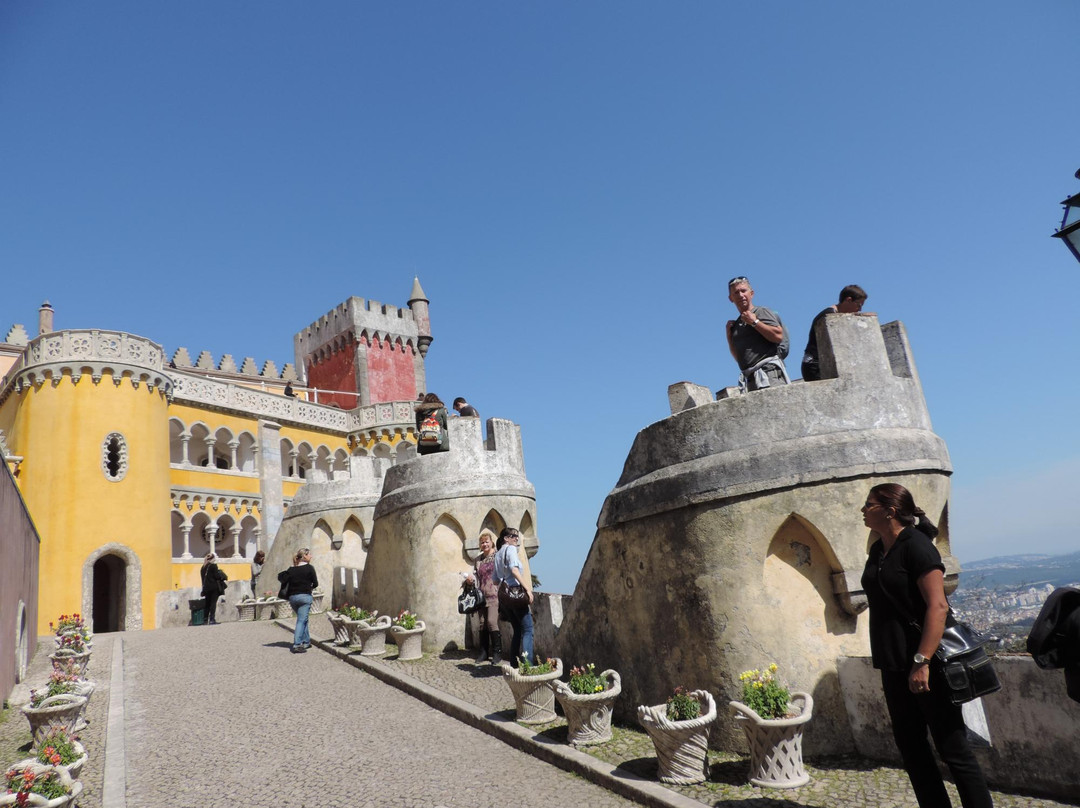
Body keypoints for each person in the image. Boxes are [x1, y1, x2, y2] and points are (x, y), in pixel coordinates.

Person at [860, 483, 994, 808]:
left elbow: (938, 606)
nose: (863, 510)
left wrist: (922, 661)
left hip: (926, 663)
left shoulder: (917, 546)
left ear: (890, 510)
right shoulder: (879, 550)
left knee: (953, 748)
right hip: (893, 663)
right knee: (912, 748)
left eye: (869, 505)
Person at [725, 276, 790, 392]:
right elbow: (740, 357)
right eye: (736, 292)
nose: (740, 295)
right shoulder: (736, 325)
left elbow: (778, 336)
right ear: (731, 298)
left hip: (769, 374)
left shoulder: (761, 312)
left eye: (743, 291)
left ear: (752, 293)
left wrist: (755, 322)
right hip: (750, 380)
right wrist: (729, 338)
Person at [801, 284, 868, 381]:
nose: (860, 309)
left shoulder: (834, 316)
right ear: (848, 300)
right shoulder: (829, 316)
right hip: (816, 366)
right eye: (858, 305)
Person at [493, 527, 534, 665]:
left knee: (517, 630)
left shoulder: (497, 554)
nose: (517, 538)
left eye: (517, 536)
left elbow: (495, 580)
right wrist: (527, 589)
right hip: (515, 593)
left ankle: (514, 663)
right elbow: (514, 570)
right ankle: (528, 664)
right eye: (514, 536)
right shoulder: (510, 549)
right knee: (528, 630)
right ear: (506, 538)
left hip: (505, 597)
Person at [464, 532, 501, 664]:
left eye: (487, 541)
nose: (484, 544)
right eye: (482, 542)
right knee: (482, 624)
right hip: (481, 596)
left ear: (492, 542)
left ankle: (497, 653)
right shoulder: (478, 560)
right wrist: (469, 580)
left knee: (491, 622)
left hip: (494, 594)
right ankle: (484, 652)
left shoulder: (497, 556)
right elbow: (476, 578)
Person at [278, 547, 318, 653]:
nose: (311, 556)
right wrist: (309, 587)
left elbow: (283, 579)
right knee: (301, 620)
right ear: (304, 556)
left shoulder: (291, 569)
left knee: (303, 619)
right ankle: (297, 644)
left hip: (293, 598)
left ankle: (306, 641)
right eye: (309, 554)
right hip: (305, 597)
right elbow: (316, 583)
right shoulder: (309, 568)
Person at [200, 552, 227, 625]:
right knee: (213, 604)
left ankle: (205, 620)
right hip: (214, 588)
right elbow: (217, 576)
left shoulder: (203, 568)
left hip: (206, 588)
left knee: (207, 604)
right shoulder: (213, 566)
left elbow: (203, 579)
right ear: (212, 559)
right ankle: (212, 619)